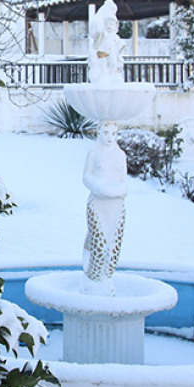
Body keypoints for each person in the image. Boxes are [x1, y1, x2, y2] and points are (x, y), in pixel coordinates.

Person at [82, 120, 128, 295]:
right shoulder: (94, 152)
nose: (110, 138)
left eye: (113, 134)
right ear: (98, 132)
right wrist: (98, 186)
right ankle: (93, 276)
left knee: (114, 245)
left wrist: (120, 189)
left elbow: (124, 180)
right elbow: (86, 177)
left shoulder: (120, 154)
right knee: (99, 241)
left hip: (116, 205)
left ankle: (107, 277)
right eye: (106, 133)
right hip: (98, 203)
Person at [87, 0, 126, 82]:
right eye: (107, 24)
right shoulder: (103, 34)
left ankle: (113, 74)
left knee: (113, 64)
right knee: (103, 66)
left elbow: (120, 44)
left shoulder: (115, 37)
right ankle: (103, 76)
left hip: (112, 54)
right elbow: (96, 44)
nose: (109, 26)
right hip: (102, 54)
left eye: (111, 25)